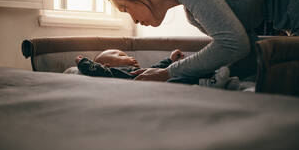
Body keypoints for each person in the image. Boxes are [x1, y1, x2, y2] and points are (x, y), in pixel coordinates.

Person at [104, 0, 299, 82]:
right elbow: (244, 50)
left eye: (125, 8)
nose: (133, 20)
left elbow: (234, 44)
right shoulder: (194, 17)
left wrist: (169, 73)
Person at [76, 49, 248, 90]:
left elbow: (157, 69)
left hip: (156, 82)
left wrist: (170, 60)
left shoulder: (140, 70)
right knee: (175, 83)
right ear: (107, 66)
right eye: (121, 55)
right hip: (145, 87)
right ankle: (209, 82)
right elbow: (94, 69)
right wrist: (82, 61)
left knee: (175, 76)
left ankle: (214, 78)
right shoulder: (113, 74)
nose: (128, 56)